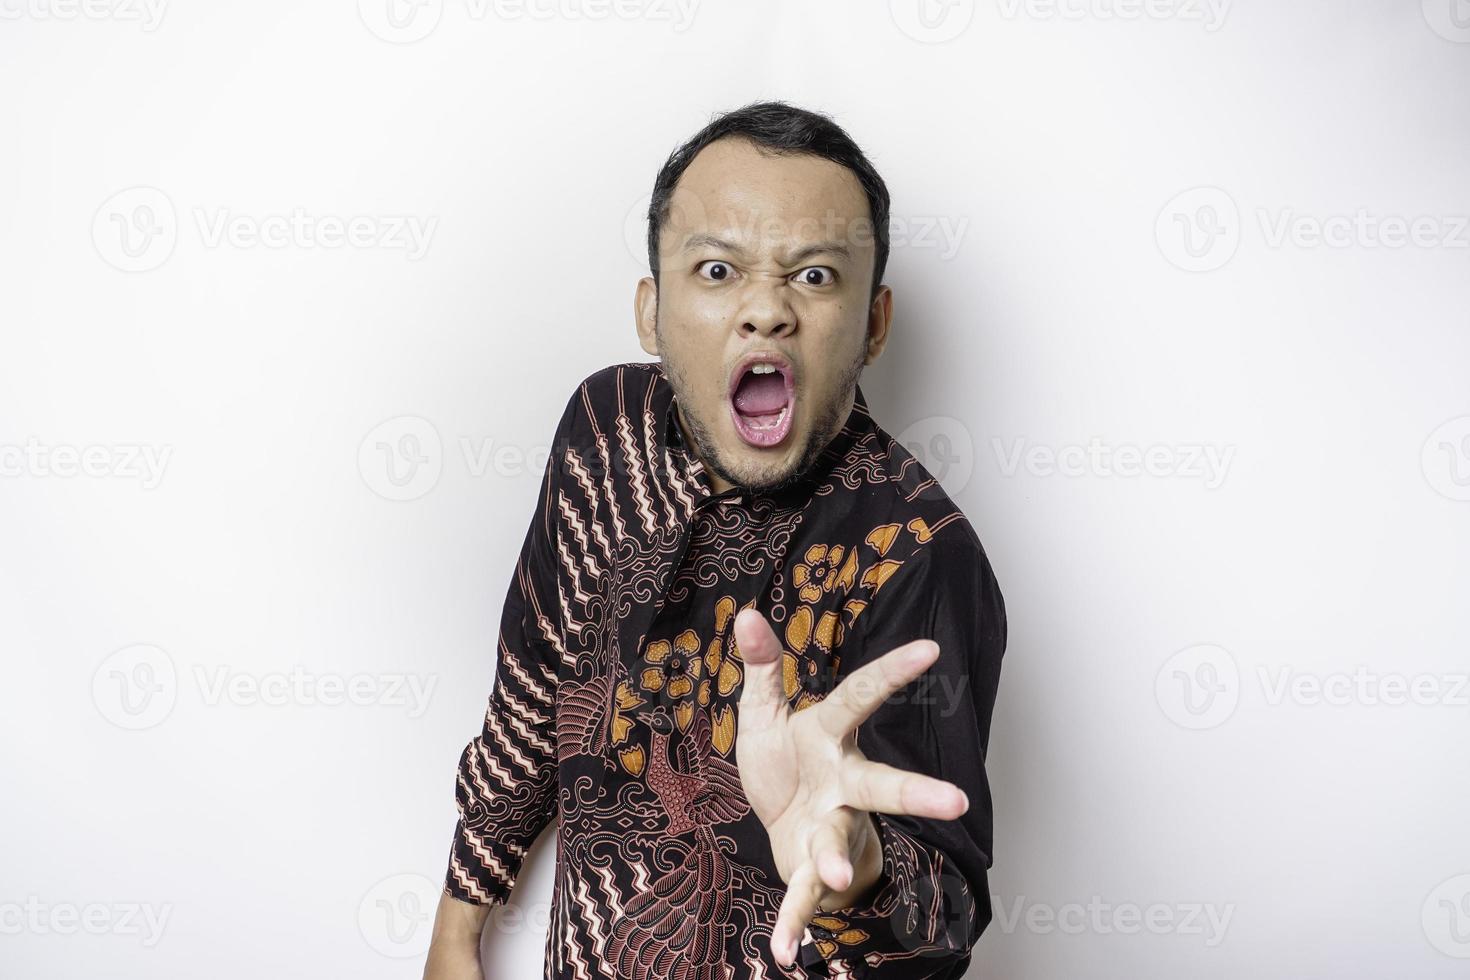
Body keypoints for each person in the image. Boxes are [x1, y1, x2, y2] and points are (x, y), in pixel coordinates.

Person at [423, 100, 1007, 980]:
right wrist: (457, 929)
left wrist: (854, 866)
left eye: (814, 277)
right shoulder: (604, 429)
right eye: (718, 269)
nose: (766, 311)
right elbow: (536, 677)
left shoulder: (915, 552)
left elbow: (943, 915)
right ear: (652, 313)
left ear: (874, 325)